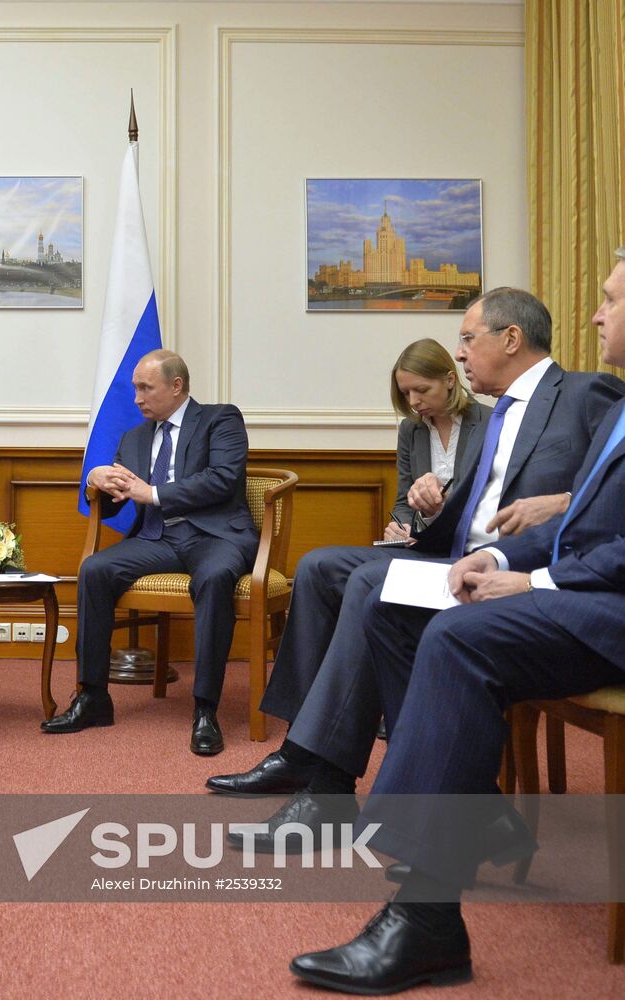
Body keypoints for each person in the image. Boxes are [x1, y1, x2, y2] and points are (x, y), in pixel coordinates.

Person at [284, 248, 625, 995]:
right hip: (572, 579)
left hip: (607, 606)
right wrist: (499, 560)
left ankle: (426, 913)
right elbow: (582, 522)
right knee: (402, 612)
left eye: (609, 300)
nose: (596, 313)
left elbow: (593, 535)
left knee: (458, 634)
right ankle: (468, 810)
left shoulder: (593, 396)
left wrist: (530, 574)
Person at [207, 287, 625, 795]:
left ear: (511, 338)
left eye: (469, 338)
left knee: (369, 585)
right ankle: (302, 740)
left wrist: (559, 500)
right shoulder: (497, 413)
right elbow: (477, 503)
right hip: (446, 549)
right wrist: (435, 504)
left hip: (509, 565)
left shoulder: (586, 394)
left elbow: (605, 491)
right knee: (319, 567)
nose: (462, 352)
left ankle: (319, 769)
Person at [42, 350, 257, 755]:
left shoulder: (220, 419)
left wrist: (153, 492)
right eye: (135, 388)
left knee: (213, 578)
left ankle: (205, 709)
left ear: (176, 386)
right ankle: (92, 698)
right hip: (157, 539)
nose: (137, 398)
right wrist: (97, 481)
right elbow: (116, 506)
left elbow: (224, 480)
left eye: (146, 388)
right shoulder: (134, 437)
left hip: (214, 537)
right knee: (95, 570)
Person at [384, 338, 489, 543]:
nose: (413, 401)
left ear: (450, 380)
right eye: (406, 393)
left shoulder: (490, 422)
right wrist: (400, 528)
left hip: (472, 545)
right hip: (424, 545)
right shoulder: (410, 429)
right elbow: (405, 502)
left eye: (422, 390)